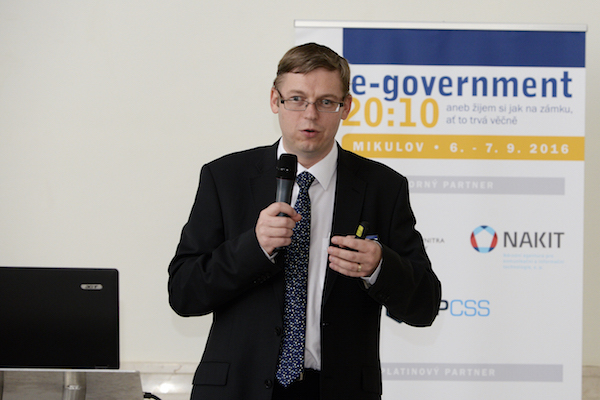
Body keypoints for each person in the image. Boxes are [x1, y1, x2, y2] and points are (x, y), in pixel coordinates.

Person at [168, 42, 441, 400]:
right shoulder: (225, 178)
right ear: (275, 100)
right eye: (296, 99)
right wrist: (253, 247)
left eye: (326, 102)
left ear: (346, 107)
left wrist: (380, 267)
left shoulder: (383, 188)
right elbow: (184, 294)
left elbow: (425, 306)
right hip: (239, 389)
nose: (310, 115)